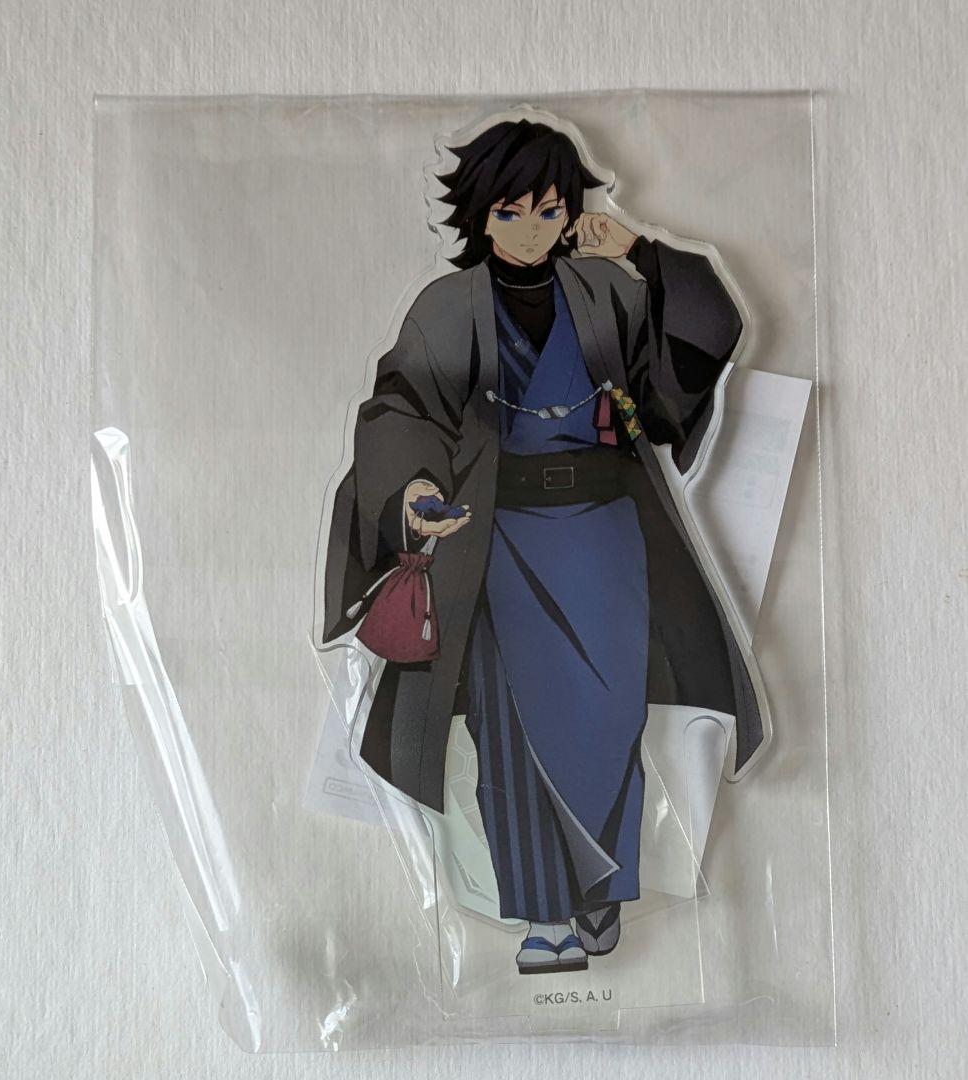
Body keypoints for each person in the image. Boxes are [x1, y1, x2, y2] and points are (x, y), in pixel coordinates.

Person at [320, 115, 767, 975]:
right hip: (495, 542)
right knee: (511, 728)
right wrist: (413, 490)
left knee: (609, 721)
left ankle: (600, 891)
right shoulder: (449, 307)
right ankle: (544, 916)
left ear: (573, 213)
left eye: (551, 210)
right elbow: (402, 406)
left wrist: (639, 250)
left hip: (603, 539)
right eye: (511, 212)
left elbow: (704, 336)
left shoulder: (607, 294)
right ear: (480, 215)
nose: (532, 230)